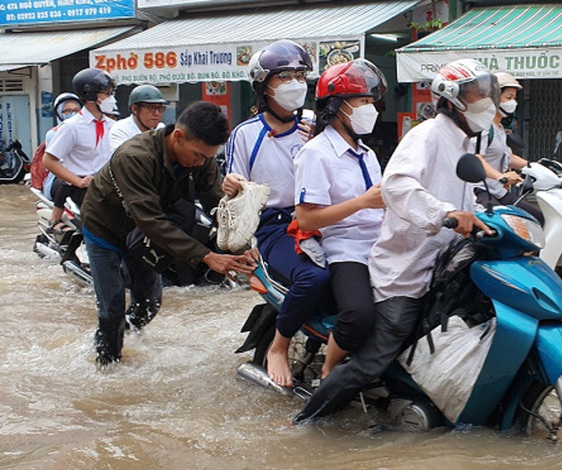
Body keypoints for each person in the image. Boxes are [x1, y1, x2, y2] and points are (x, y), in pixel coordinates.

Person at [294, 58, 494, 423]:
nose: (485, 101)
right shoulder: (426, 135)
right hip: (404, 266)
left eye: (486, 93)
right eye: (474, 94)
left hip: (438, 261)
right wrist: (444, 215)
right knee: (374, 356)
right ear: (451, 100)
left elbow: (464, 197)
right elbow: (399, 187)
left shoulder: (460, 143)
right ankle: (307, 419)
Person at [80, 101, 256, 366]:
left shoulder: (202, 159)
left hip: (145, 233)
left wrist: (242, 245)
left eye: (207, 157)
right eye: (197, 155)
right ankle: (107, 367)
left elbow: (214, 202)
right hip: (106, 229)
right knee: (112, 307)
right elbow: (151, 220)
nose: (200, 162)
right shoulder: (135, 156)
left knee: (149, 303)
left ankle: (129, 335)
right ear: (178, 137)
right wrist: (208, 257)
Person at [221, 39, 328, 387]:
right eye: (284, 76)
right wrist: (231, 187)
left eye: (300, 75)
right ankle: (278, 347)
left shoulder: (317, 123)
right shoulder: (245, 134)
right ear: (263, 86)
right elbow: (237, 191)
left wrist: (321, 141)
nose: (295, 83)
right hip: (276, 226)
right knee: (314, 278)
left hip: (325, 218)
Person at [294, 58, 388, 380]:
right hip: (345, 248)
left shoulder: (367, 153)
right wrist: (362, 202)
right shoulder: (315, 153)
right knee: (359, 315)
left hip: (380, 243)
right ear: (338, 106)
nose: (371, 109)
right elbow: (306, 220)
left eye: (372, 102)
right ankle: (329, 372)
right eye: (363, 101)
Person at [43, 68, 115, 235]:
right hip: (84, 189)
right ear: (90, 95)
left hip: (109, 185)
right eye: (107, 94)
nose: (111, 99)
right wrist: (78, 181)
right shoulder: (71, 127)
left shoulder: (113, 126)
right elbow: (49, 160)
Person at [472, 72, 543, 224]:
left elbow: (508, 157)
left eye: (515, 98)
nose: (513, 103)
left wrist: (537, 167)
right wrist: (500, 176)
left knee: (537, 219)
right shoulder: (483, 127)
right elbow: (477, 159)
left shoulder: (499, 129)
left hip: (498, 191)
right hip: (479, 192)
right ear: (494, 98)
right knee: (505, 226)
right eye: (509, 97)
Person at [38, 92, 83, 200]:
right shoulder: (53, 134)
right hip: (60, 176)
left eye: (76, 110)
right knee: (69, 185)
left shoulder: (87, 131)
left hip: (84, 173)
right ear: (59, 113)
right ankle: (56, 216)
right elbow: (57, 163)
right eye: (67, 111)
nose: (72, 113)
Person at [109, 84, 167, 151]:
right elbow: (125, 159)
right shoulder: (121, 129)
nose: (157, 113)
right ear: (135, 109)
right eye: (151, 108)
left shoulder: (161, 128)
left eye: (160, 108)